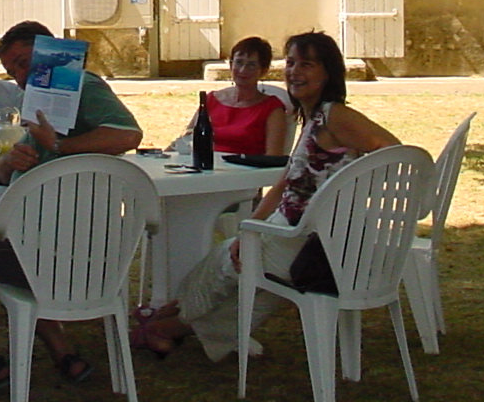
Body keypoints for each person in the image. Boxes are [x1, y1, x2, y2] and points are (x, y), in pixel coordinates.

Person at [137, 31, 399, 362]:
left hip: (314, 241)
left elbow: (396, 153)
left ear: (328, 73)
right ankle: (170, 324)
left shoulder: (336, 115)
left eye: (307, 64)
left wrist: (352, 191)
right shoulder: (314, 118)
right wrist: (251, 226)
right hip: (292, 232)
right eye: (290, 63)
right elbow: (285, 182)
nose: (295, 72)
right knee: (251, 280)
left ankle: (165, 321)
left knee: (225, 262)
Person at [0, 19, 143, 389]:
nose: (22, 77)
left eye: (26, 62)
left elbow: (128, 134)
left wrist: (60, 147)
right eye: (13, 71)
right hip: (54, 250)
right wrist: (9, 162)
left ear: (49, 53)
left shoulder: (81, 86)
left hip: (58, 255)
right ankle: (63, 353)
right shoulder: (44, 104)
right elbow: (14, 164)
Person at [191, 36, 289, 158]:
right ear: (231, 65)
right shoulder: (211, 100)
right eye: (239, 62)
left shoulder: (272, 109)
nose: (243, 70)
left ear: (263, 70)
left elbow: (274, 157)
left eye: (251, 65)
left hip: (245, 174)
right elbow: (187, 138)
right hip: (204, 168)